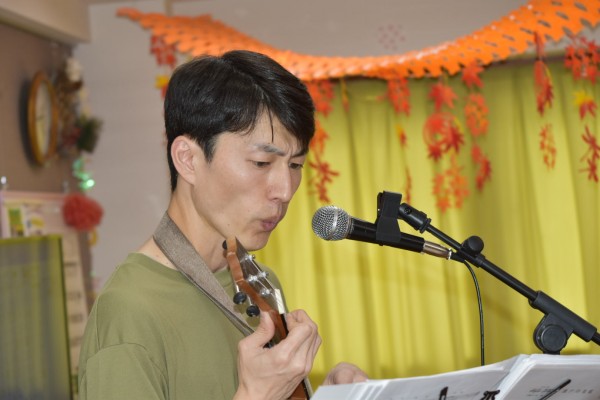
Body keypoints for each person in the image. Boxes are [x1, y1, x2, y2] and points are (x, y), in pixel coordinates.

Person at [77, 50, 368, 399]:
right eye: (262, 163)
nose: (284, 190)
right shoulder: (129, 311)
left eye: (295, 166)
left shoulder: (258, 282)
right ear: (188, 159)